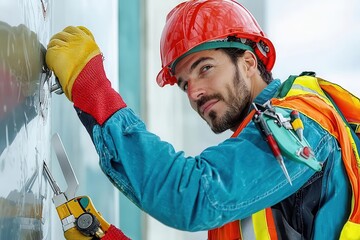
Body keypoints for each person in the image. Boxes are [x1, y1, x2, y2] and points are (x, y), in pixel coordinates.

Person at [46, 0, 360, 239]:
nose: (194, 91)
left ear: (248, 62)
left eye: (205, 68)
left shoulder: (302, 122)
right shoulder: (251, 166)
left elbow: (192, 196)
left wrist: (92, 89)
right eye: (184, 83)